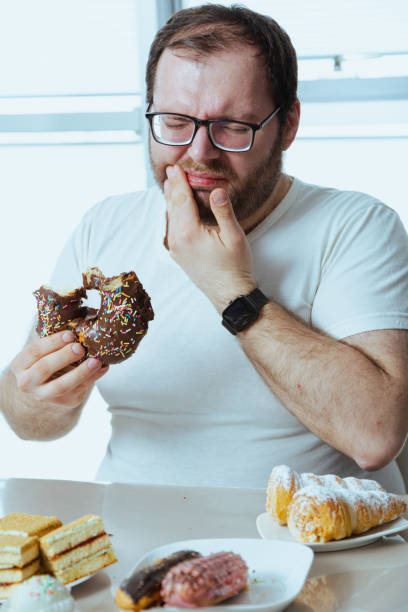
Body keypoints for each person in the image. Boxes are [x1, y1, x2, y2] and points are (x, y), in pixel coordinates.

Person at [1, 4, 408, 491]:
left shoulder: (357, 226)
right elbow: (29, 421)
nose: (199, 152)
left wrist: (230, 288)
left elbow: (376, 435)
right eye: (175, 121)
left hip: (315, 551)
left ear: (289, 124)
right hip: (140, 545)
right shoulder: (105, 224)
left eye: (232, 126)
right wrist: (41, 399)